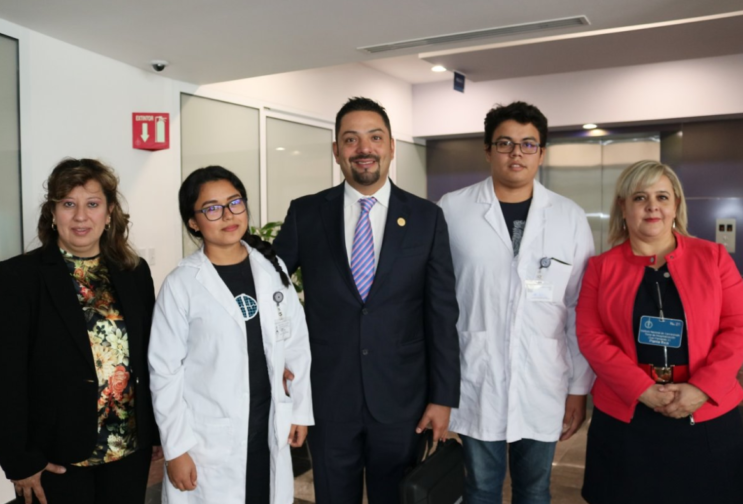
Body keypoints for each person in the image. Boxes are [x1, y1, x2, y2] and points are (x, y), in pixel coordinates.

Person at [273, 97, 460, 504]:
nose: (364, 148)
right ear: (337, 150)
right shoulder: (306, 214)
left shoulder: (426, 218)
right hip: (328, 394)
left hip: (402, 398)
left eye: (375, 137)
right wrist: (281, 362)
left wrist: (443, 397)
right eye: (351, 139)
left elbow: (442, 313)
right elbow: (272, 291)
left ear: (392, 146)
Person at [438, 101, 595, 504]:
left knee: (534, 489)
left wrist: (578, 387)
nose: (516, 153)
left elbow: (579, 306)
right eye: (505, 143)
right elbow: (436, 301)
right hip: (476, 374)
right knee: (479, 488)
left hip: (543, 378)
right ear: (488, 150)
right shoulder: (452, 210)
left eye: (528, 144)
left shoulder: (569, 216)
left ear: (541, 152)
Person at [0, 158, 160, 504]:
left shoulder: (133, 272)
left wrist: (154, 430)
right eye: (68, 204)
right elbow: (4, 377)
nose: (81, 216)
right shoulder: (20, 277)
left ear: (109, 213)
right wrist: (19, 460)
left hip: (127, 448)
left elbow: (149, 357)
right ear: (52, 212)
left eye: (92, 204)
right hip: (55, 457)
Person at [576, 160, 743, 503]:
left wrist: (702, 387)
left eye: (662, 197)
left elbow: (737, 327)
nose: (652, 206)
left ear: (676, 205)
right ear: (622, 206)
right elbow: (591, 337)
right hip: (628, 418)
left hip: (706, 415)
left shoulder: (713, 258)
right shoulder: (600, 268)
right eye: (640, 197)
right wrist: (642, 389)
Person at [148, 166, 313, 504]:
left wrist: (299, 409)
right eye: (212, 208)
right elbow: (164, 372)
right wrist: (176, 448)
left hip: (268, 422)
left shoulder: (271, 268)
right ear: (193, 222)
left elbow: (296, 342)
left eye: (234, 202)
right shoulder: (182, 284)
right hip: (206, 439)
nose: (227, 215)